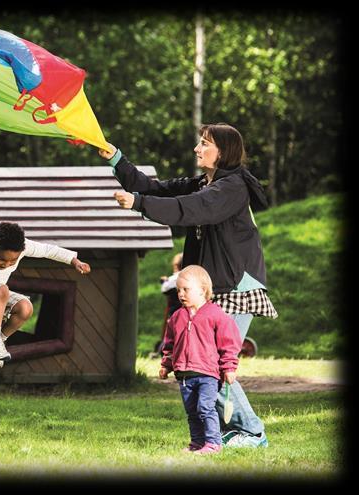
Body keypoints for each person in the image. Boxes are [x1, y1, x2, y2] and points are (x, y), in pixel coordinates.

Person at [99, 123, 278, 448]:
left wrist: (138, 203)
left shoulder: (231, 187)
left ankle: (251, 432)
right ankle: (237, 430)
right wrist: (115, 158)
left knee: (214, 361)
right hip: (215, 285)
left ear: (222, 152)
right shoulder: (202, 183)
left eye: (204, 143)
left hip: (236, 286)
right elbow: (153, 188)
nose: (197, 148)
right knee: (202, 361)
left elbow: (190, 209)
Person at [0, 222, 91, 368]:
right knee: (2, 290)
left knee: (25, 308)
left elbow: (48, 250)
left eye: (13, 260)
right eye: (1, 259)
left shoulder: (25, 246)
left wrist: (75, 261)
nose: (7, 264)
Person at [159, 265, 242, 455]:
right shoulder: (176, 317)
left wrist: (229, 367)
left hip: (207, 374)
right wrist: (166, 365)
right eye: (178, 290)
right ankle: (197, 442)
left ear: (202, 290)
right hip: (185, 376)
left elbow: (228, 344)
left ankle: (213, 443)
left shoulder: (216, 315)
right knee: (192, 412)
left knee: (205, 408)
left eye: (185, 290)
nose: (180, 294)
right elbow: (170, 345)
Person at [155, 252, 183, 355]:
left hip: (175, 310)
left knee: (171, 331)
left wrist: (165, 282)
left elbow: (165, 288)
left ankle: (164, 350)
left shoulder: (175, 278)